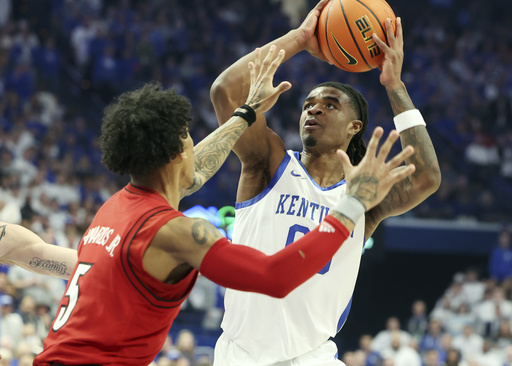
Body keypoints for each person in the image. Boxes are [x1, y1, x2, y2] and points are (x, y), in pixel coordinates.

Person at [25, 47, 415, 365]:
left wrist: (248, 110)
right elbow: (272, 277)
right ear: (179, 154)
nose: (197, 144)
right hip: (238, 351)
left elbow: (36, 252)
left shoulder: (110, 212)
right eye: (189, 139)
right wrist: (350, 208)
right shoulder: (179, 232)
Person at [209, 0, 441, 364]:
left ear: (355, 127)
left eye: (330, 104)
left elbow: (427, 176)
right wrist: (298, 39)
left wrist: (394, 86)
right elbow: (225, 92)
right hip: (242, 353)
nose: (313, 109)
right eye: (308, 105)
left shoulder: (363, 193)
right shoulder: (267, 163)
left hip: (313, 356)